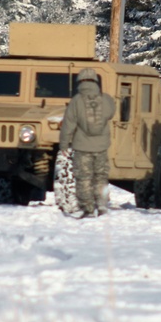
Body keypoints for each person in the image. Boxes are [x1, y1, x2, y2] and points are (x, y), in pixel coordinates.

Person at [59, 68, 116, 218]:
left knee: (83, 178)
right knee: (100, 177)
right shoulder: (106, 99)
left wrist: (64, 145)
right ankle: (102, 206)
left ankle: (88, 209)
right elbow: (111, 114)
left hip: (81, 146)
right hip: (102, 146)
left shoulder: (76, 101)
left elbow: (68, 125)